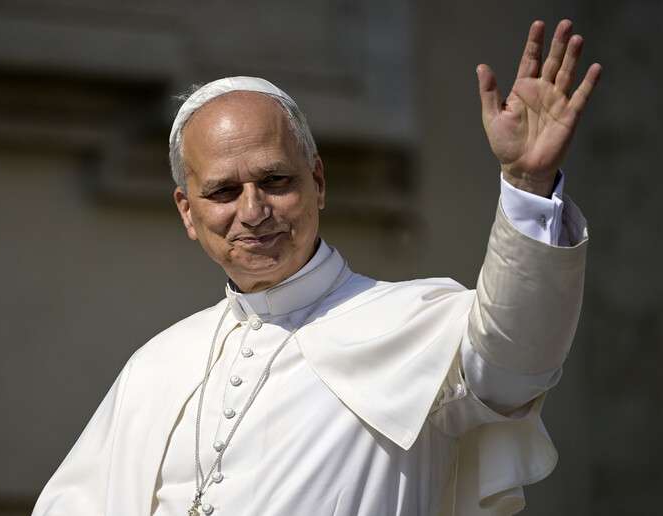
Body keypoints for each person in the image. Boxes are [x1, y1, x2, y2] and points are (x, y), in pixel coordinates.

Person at [32, 19, 601, 516]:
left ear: (318, 183)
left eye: (275, 181)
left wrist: (526, 185)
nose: (253, 212)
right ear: (188, 211)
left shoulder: (417, 324)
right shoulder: (155, 368)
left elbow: (516, 360)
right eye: (224, 191)